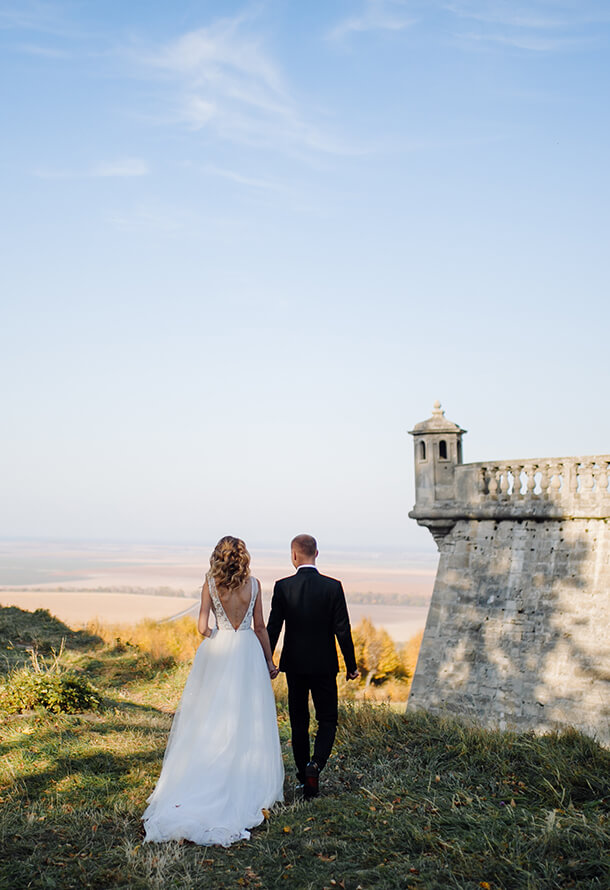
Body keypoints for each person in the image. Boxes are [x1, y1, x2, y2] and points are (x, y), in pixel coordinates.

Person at [142, 536, 284, 846]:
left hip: (219, 650)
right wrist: (269, 660)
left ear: (218, 557)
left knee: (212, 713)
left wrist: (218, 636)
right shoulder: (255, 585)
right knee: (249, 715)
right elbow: (261, 627)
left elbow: (202, 627)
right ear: (243, 557)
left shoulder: (210, 583)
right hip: (248, 650)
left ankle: (210, 765)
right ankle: (245, 774)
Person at [267, 534, 359, 799]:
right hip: (324, 665)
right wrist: (351, 665)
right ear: (316, 554)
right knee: (327, 719)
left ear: (294, 555)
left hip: (294, 666)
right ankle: (315, 765)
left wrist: (266, 661)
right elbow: (343, 629)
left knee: (299, 722)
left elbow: (273, 627)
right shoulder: (333, 587)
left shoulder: (283, 587)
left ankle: (302, 776)